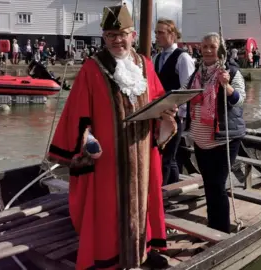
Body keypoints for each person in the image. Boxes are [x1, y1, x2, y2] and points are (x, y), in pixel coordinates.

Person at [46, 5, 177, 269]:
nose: (117, 40)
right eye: (110, 35)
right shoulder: (92, 69)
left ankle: (144, 248)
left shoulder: (145, 64)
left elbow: (159, 96)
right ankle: (109, 257)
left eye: (122, 34)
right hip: (108, 158)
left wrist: (167, 110)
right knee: (109, 209)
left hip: (142, 151)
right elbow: (77, 115)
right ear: (103, 38)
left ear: (133, 35)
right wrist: (87, 140)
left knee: (145, 199)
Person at [184, 32, 246, 234]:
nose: (208, 50)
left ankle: (220, 231)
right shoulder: (196, 74)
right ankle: (212, 225)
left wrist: (226, 86)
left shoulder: (232, 72)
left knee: (217, 185)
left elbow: (239, 100)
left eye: (212, 47)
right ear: (200, 50)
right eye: (204, 47)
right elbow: (184, 95)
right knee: (209, 185)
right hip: (201, 141)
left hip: (223, 139)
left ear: (220, 50)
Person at [154, 19, 195, 186]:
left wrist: (182, 117)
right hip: (158, 115)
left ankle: (167, 193)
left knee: (168, 157)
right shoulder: (156, 57)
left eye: (160, 33)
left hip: (175, 116)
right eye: (156, 32)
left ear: (172, 35)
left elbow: (188, 89)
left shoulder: (182, 58)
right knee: (163, 156)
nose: (156, 36)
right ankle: (168, 191)